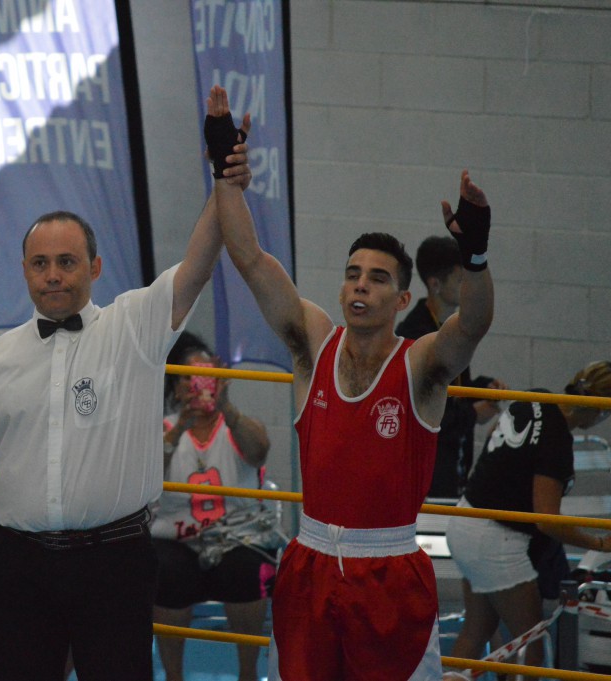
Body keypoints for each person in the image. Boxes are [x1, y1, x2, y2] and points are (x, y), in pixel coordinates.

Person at [0, 86, 251, 681]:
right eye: (41, 263)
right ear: (25, 271)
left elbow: (197, 262)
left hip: (115, 564)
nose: (54, 276)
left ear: (94, 267)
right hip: (18, 567)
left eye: (67, 262)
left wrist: (223, 171)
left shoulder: (135, 326)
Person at [216, 157, 495, 679]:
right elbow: (250, 260)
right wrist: (224, 176)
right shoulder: (313, 344)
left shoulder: (419, 364)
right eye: (352, 275)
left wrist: (475, 255)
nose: (361, 286)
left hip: (389, 570)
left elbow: (473, 324)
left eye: (377, 278)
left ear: (403, 299)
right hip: (310, 562)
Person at [445, 361, 611, 672]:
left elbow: (497, 438)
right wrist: (599, 543)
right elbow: (546, 519)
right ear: (601, 410)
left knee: (476, 632)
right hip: (495, 541)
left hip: (464, 520)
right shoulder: (558, 442)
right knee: (531, 650)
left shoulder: (537, 398)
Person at [152, 331, 278, 681]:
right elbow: (147, 480)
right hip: (176, 541)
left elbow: (260, 451)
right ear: (177, 386)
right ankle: (173, 676)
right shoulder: (162, 433)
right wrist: (180, 431)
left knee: (245, 568)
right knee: (166, 570)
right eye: (190, 379)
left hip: (237, 537)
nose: (199, 387)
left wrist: (228, 408)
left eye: (206, 378)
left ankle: (248, 674)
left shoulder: (237, 427)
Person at [396, 235, 507, 498]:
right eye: (460, 280)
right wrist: (472, 415)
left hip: (453, 462)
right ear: (435, 284)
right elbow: (419, 409)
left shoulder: (452, 327)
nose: (466, 286)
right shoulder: (414, 335)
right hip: (427, 471)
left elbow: (449, 387)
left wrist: (481, 388)